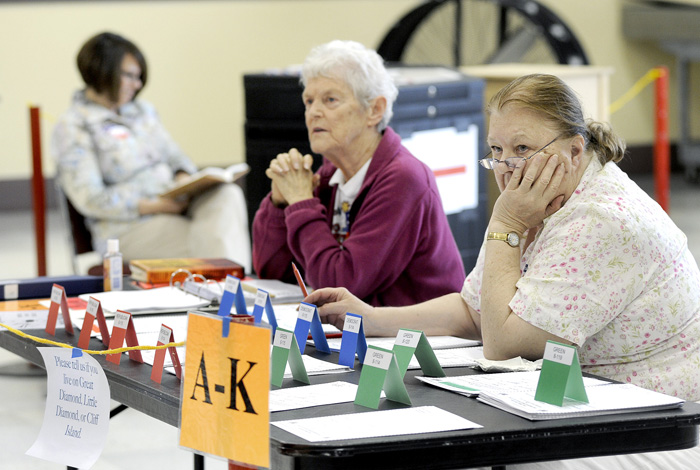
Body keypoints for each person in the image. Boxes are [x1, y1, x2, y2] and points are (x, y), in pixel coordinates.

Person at [308, 74, 700, 468]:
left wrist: (506, 225)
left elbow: (505, 345)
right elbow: (476, 309)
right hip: (590, 405)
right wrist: (372, 318)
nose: (507, 167)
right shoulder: (535, 200)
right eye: (496, 149)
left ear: (575, 151)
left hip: (656, 424)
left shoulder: (600, 219)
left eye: (523, 148)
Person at [252, 40, 465, 307]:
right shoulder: (331, 173)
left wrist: (301, 203)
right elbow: (274, 274)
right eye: (309, 101)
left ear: (374, 110)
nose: (313, 112)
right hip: (363, 336)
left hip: (424, 343)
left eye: (330, 100)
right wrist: (279, 203)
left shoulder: (404, 178)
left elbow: (341, 284)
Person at [52, 32, 251, 272]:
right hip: (128, 227)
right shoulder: (73, 126)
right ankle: (235, 297)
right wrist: (154, 205)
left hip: (176, 203)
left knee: (227, 195)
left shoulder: (143, 111)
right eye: (129, 76)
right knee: (210, 240)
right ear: (101, 71)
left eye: (139, 78)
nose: (137, 85)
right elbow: (91, 199)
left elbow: (176, 156)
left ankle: (231, 293)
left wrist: (183, 179)